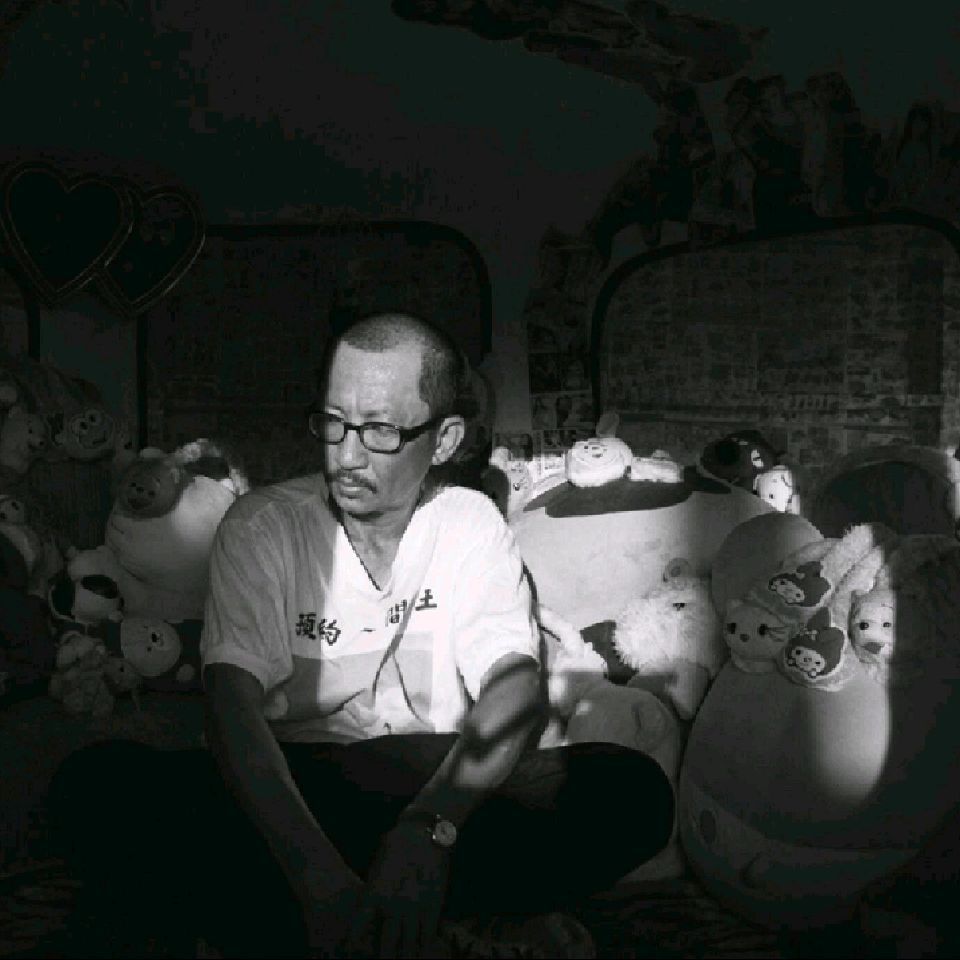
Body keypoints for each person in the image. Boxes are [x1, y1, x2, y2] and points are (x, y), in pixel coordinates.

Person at [48, 313, 674, 959]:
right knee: (96, 785)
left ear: (444, 439)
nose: (346, 456)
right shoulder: (262, 526)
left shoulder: (469, 523)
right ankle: (420, 923)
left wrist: (428, 831)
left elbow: (513, 689)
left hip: (435, 784)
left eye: (380, 430)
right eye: (333, 422)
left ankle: (287, 926)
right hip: (292, 790)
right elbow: (232, 709)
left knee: (629, 790)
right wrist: (317, 877)